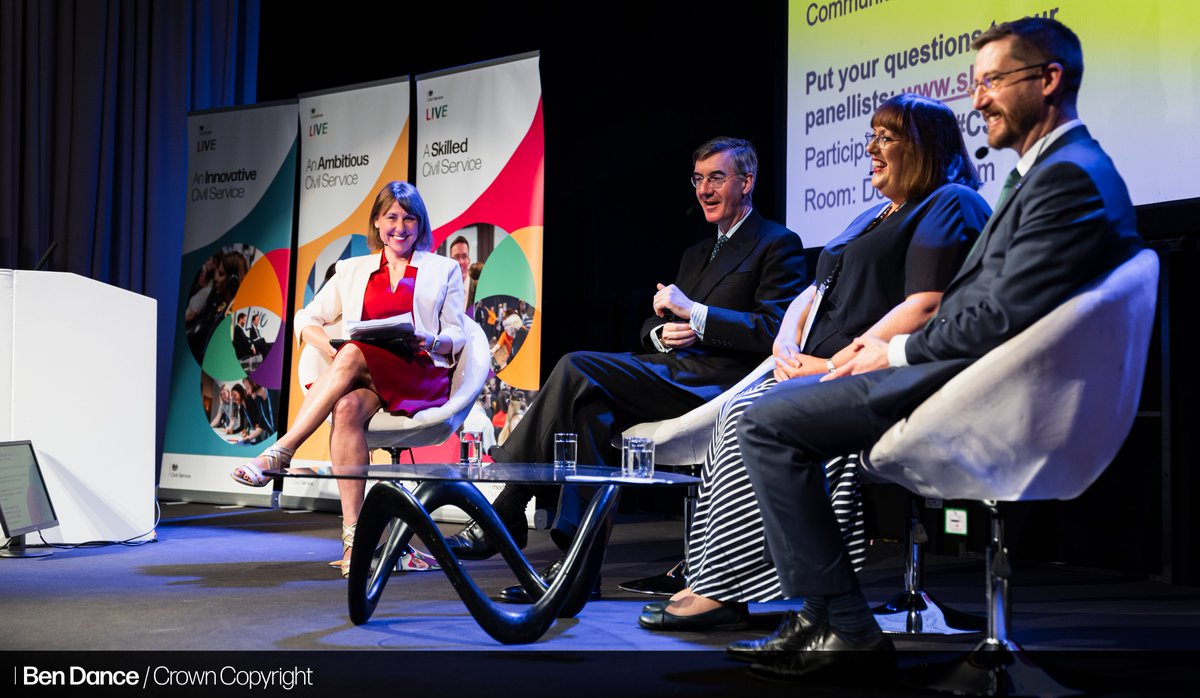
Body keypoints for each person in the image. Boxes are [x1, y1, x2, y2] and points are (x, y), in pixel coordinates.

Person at [731, 18, 1143, 681]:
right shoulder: (1049, 172)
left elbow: (999, 312)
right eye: (975, 84)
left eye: (994, 81)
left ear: (1049, 80)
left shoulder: (1067, 176)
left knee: (767, 424)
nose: (978, 99)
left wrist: (891, 355)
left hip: (984, 383)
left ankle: (842, 624)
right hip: (966, 369)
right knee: (769, 417)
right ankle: (823, 617)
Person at [637, 94, 990, 632]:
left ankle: (734, 587)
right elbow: (817, 285)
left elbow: (926, 305)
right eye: (870, 136)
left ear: (923, 147)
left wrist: (831, 364)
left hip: (874, 370)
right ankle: (711, 576)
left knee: (751, 424)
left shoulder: (949, 202)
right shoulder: (876, 214)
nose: (871, 148)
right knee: (734, 419)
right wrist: (785, 339)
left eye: (885, 138)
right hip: (813, 363)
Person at [445, 137, 810, 587]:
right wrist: (662, 332)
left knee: (577, 367)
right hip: (672, 371)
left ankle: (507, 508)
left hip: (720, 383)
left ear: (747, 182)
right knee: (588, 411)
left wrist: (697, 317)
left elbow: (777, 328)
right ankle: (580, 572)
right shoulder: (696, 253)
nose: (704, 189)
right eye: (698, 179)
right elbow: (655, 321)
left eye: (717, 177)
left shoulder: (777, 243)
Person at [230, 181, 466, 576]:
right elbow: (307, 318)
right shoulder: (351, 270)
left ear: (420, 224)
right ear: (377, 221)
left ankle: (282, 451)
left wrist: (430, 337)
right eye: (391, 217)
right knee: (346, 405)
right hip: (367, 373)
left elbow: (458, 333)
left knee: (355, 352)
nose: (400, 227)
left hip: (418, 370)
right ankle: (356, 541)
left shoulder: (442, 270)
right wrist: (327, 348)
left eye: (410, 218)